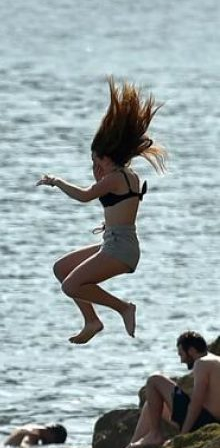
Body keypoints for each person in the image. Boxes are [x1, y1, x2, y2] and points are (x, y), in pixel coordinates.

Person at [37, 77, 167, 344]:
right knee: (62, 268)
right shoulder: (124, 176)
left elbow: (84, 196)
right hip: (116, 242)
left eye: (95, 160)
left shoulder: (115, 178)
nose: (94, 165)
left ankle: (123, 307)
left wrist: (57, 182)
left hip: (119, 249)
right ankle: (92, 320)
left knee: (70, 285)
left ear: (107, 158)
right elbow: (116, 206)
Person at [102, 331, 220, 448]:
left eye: (182, 354)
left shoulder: (202, 363)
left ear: (191, 350)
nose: (181, 360)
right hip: (212, 420)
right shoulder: (215, 360)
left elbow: (196, 404)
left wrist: (184, 436)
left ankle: (155, 434)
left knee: (155, 379)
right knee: (151, 405)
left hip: (205, 421)